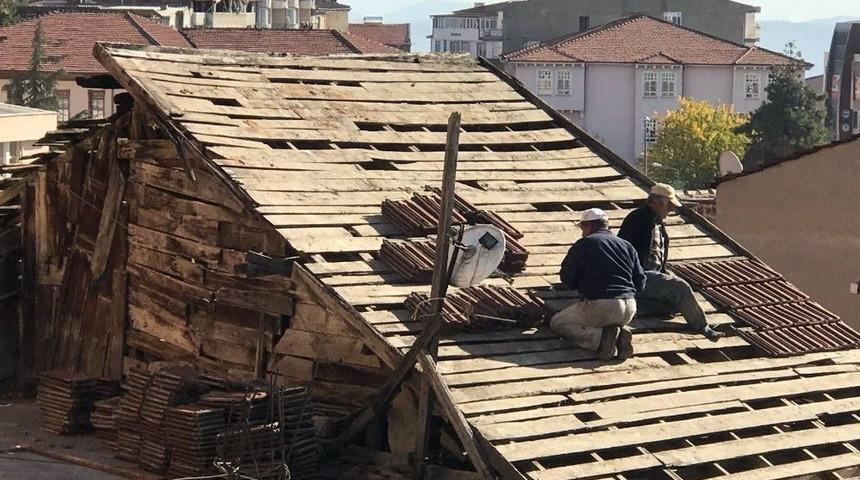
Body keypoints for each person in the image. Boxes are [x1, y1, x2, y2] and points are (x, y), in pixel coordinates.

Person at [618, 183, 725, 342]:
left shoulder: (658, 224)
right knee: (680, 288)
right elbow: (623, 251)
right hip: (639, 276)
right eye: (669, 207)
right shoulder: (638, 218)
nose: (670, 211)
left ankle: (637, 306)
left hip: (650, 278)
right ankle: (704, 327)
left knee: (676, 305)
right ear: (658, 203)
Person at [551, 208, 646, 360]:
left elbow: (567, 278)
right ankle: (618, 336)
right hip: (629, 307)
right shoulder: (627, 245)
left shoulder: (585, 243)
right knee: (599, 319)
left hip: (603, 306)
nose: (582, 233)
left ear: (588, 226)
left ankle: (601, 338)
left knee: (558, 323)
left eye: (583, 228)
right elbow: (640, 282)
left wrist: (581, 286)